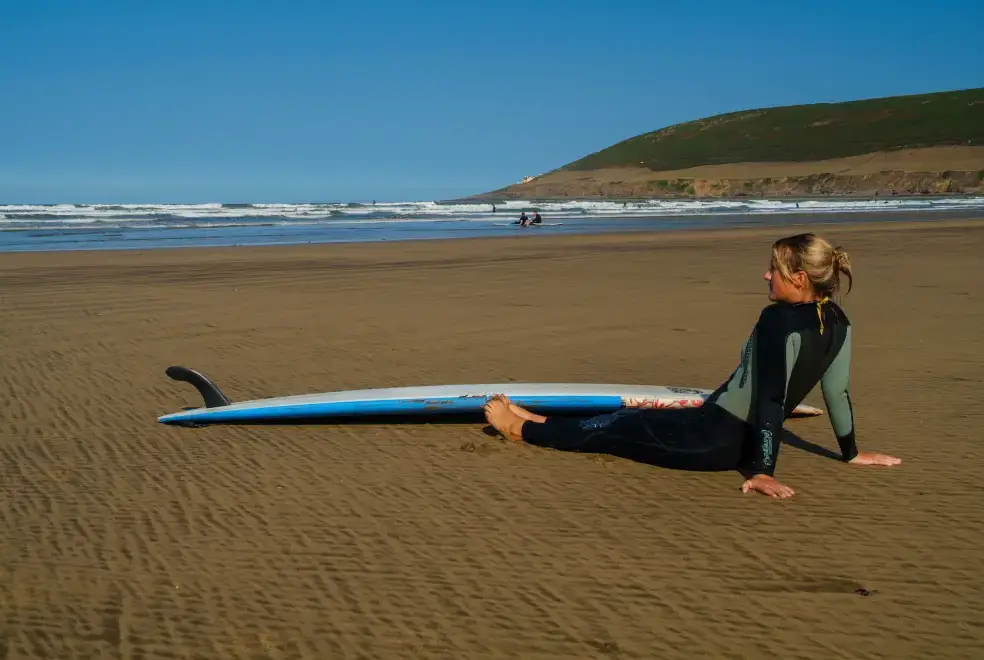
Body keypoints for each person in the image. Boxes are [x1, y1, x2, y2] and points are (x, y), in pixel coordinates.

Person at [483, 233, 902, 499]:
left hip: (710, 440)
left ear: (797, 279)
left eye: (773, 268)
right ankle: (539, 418)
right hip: (721, 433)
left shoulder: (778, 320)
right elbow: (837, 392)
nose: (765, 275)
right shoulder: (838, 322)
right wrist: (850, 453)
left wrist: (762, 472)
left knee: (616, 431)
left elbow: (772, 399)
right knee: (630, 417)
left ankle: (522, 429)